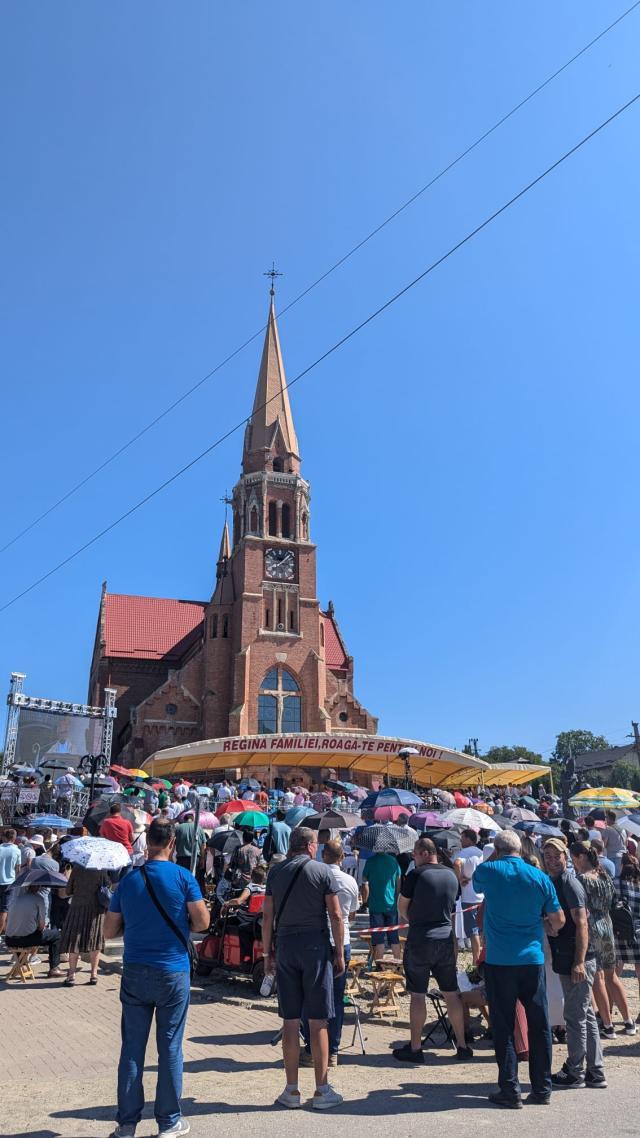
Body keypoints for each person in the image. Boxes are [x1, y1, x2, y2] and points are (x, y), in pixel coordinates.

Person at [105, 818, 210, 1138]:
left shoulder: (129, 880)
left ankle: (126, 1123)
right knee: (170, 1047)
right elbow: (203, 922)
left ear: (146, 841)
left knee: (132, 1048)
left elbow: (109, 931)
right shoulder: (183, 877)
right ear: (173, 844)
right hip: (172, 969)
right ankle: (168, 1120)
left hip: (135, 968)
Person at [472, 829, 564, 1108]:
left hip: (501, 960)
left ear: (497, 850)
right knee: (539, 1025)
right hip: (531, 958)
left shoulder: (490, 870)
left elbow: (475, 884)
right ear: (522, 850)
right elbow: (558, 920)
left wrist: (492, 856)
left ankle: (510, 1089)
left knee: (503, 1025)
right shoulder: (540, 877)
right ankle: (542, 1088)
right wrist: (545, 926)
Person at [262, 826, 345, 1110]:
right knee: (318, 1020)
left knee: (290, 1020)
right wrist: (339, 952)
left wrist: (265, 952)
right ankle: (321, 1089)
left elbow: (267, 915)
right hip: (315, 947)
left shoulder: (275, 872)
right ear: (310, 846)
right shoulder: (322, 872)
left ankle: (291, 1089)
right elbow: (335, 914)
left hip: (285, 945)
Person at [394, 837, 473, 1063]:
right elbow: (452, 905)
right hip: (446, 937)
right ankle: (462, 1044)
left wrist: (415, 920)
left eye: (415, 855)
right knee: (451, 992)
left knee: (418, 994)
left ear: (423, 853)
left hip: (421, 938)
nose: (414, 859)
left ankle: (416, 1047)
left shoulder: (417, 875)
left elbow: (402, 907)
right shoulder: (451, 874)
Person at [542, 838, 607, 1089]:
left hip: (577, 958)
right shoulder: (556, 882)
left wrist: (579, 962)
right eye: (547, 855)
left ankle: (575, 1070)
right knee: (584, 1014)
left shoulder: (569, 883)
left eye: (556, 855)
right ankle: (595, 1070)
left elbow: (581, 923)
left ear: (566, 857)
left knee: (575, 1015)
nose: (551, 859)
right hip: (568, 956)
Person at [300, 839, 359, 1066]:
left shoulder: (314, 878)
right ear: (342, 857)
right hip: (341, 940)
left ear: (323, 855)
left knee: (310, 996)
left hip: (319, 939)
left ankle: (311, 1047)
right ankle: (332, 1050)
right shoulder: (350, 881)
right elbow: (351, 914)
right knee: (336, 998)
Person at [570, 840, 635, 1036]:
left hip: (591, 927)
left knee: (598, 978)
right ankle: (628, 1021)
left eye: (573, 858)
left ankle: (607, 1025)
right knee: (612, 976)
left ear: (580, 857)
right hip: (607, 924)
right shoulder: (604, 875)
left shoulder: (581, 879)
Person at [59, 862, 109, 985]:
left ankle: (71, 975)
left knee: (74, 941)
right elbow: (107, 888)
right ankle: (93, 975)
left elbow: (68, 890)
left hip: (77, 908)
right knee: (95, 941)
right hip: (96, 910)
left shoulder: (77, 869)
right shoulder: (101, 870)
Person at [5, 883, 63, 976]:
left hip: (9, 940)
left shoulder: (15, 898)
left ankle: (22, 965)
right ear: (39, 887)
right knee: (57, 936)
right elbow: (41, 926)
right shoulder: (39, 899)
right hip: (25, 940)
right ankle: (54, 968)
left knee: (23, 932)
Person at [362, 848, 402, 962]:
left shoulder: (370, 861)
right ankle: (398, 965)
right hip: (391, 904)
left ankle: (379, 967)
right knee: (394, 937)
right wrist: (395, 896)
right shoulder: (393, 861)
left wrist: (365, 902)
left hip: (375, 905)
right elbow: (398, 881)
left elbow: (365, 883)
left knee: (379, 939)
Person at [613, 853, 640, 1019]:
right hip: (638, 933)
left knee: (613, 975)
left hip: (620, 933)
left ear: (622, 866)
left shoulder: (616, 883)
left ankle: (611, 1010)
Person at [453, 828, 483, 964]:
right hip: (481, 895)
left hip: (469, 896)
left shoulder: (464, 852)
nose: (460, 840)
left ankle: (476, 960)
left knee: (472, 931)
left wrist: (460, 878)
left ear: (468, 839)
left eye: (462, 837)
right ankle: (479, 958)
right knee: (479, 930)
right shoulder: (481, 853)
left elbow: (456, 863)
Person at [0, 828, 22, 937]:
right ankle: (1, 932)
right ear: (14, 838)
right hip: (9, 882)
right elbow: (18, 869)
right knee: (4, 909)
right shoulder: (17, 850)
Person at [602, 810, 627, 875]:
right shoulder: (623, 829)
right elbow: (626, 843)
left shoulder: (608, 829)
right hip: (622, 856)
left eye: (606, 818)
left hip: (612, 856)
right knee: (619, 876)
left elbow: (604, 844)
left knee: (613, 876)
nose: (605, 820)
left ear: (610, 819)